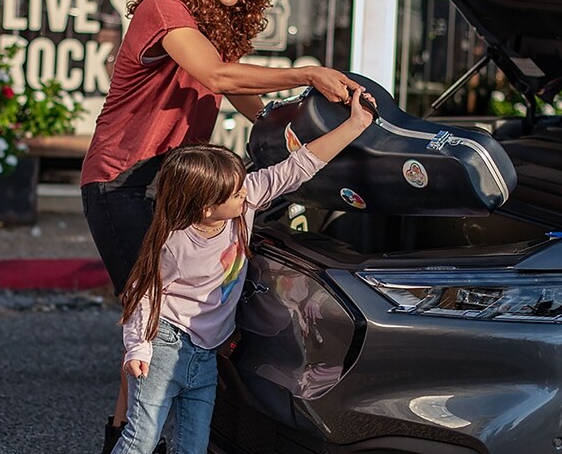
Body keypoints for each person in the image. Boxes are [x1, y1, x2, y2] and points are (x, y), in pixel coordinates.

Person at [80, 0, 361, 454]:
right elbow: (214, 73)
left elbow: (242, 97)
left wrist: (308, 144)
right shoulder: (164, 9)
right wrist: (307, 70)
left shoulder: (210, 27)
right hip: (122, 184)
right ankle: (130, 441)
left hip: (173, 186)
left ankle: (135, 438)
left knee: (163, 320)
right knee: (154, 320)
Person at [111, 88, 374, 454]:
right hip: (165, 348)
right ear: (205, 208)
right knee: (142, 439)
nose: (246, 194)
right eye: (235, 193)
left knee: (194, 446)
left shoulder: (243, 201)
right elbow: (144, 291)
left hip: (206, 353)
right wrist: (137, 348)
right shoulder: (175, 242)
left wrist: (356, 124)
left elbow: (299, 166)